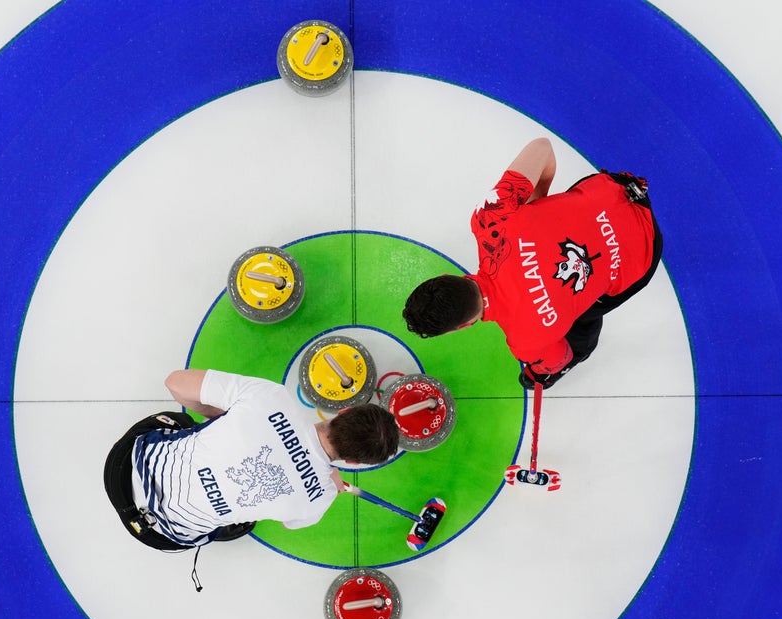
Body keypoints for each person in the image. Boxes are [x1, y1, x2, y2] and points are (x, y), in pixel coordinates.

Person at [403, 137, 663, 389]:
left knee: (578, 324)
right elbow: (542, 147)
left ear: (464, 326)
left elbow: (560, 356)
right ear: (447, 276)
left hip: (644, 251)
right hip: (619, 192)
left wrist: (540, 373)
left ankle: (578, 347)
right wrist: (536, 207)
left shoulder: (526, 343)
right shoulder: (489, 219)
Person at [103, 368, 400, 551]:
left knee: (182, 421)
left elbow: (175, 383)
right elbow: (289, 523)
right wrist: (326, 484)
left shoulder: (272, 397)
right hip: (159, 534)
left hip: (123, 468)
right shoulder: (320, 500)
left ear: (345, 411)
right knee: (246, 520)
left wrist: (225, 418)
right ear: (355, 462)